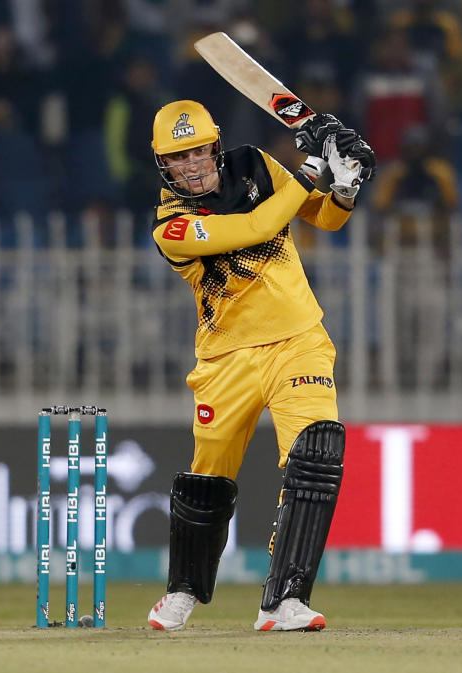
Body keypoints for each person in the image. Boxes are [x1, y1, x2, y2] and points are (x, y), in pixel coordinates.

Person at [144, 100, 375, 632]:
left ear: (215, 145)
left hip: (298, 339)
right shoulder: (170, 227)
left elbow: (324, 218)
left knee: (317, 453)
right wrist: (310, 169)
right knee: (208, 482)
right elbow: (253, 228)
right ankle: (183, 591)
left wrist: (343, 186)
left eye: (199, 150)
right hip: (226, 360)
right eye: (179, 158)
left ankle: (284, 601)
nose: (193, 165)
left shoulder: (253, 165)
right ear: (162, 165)